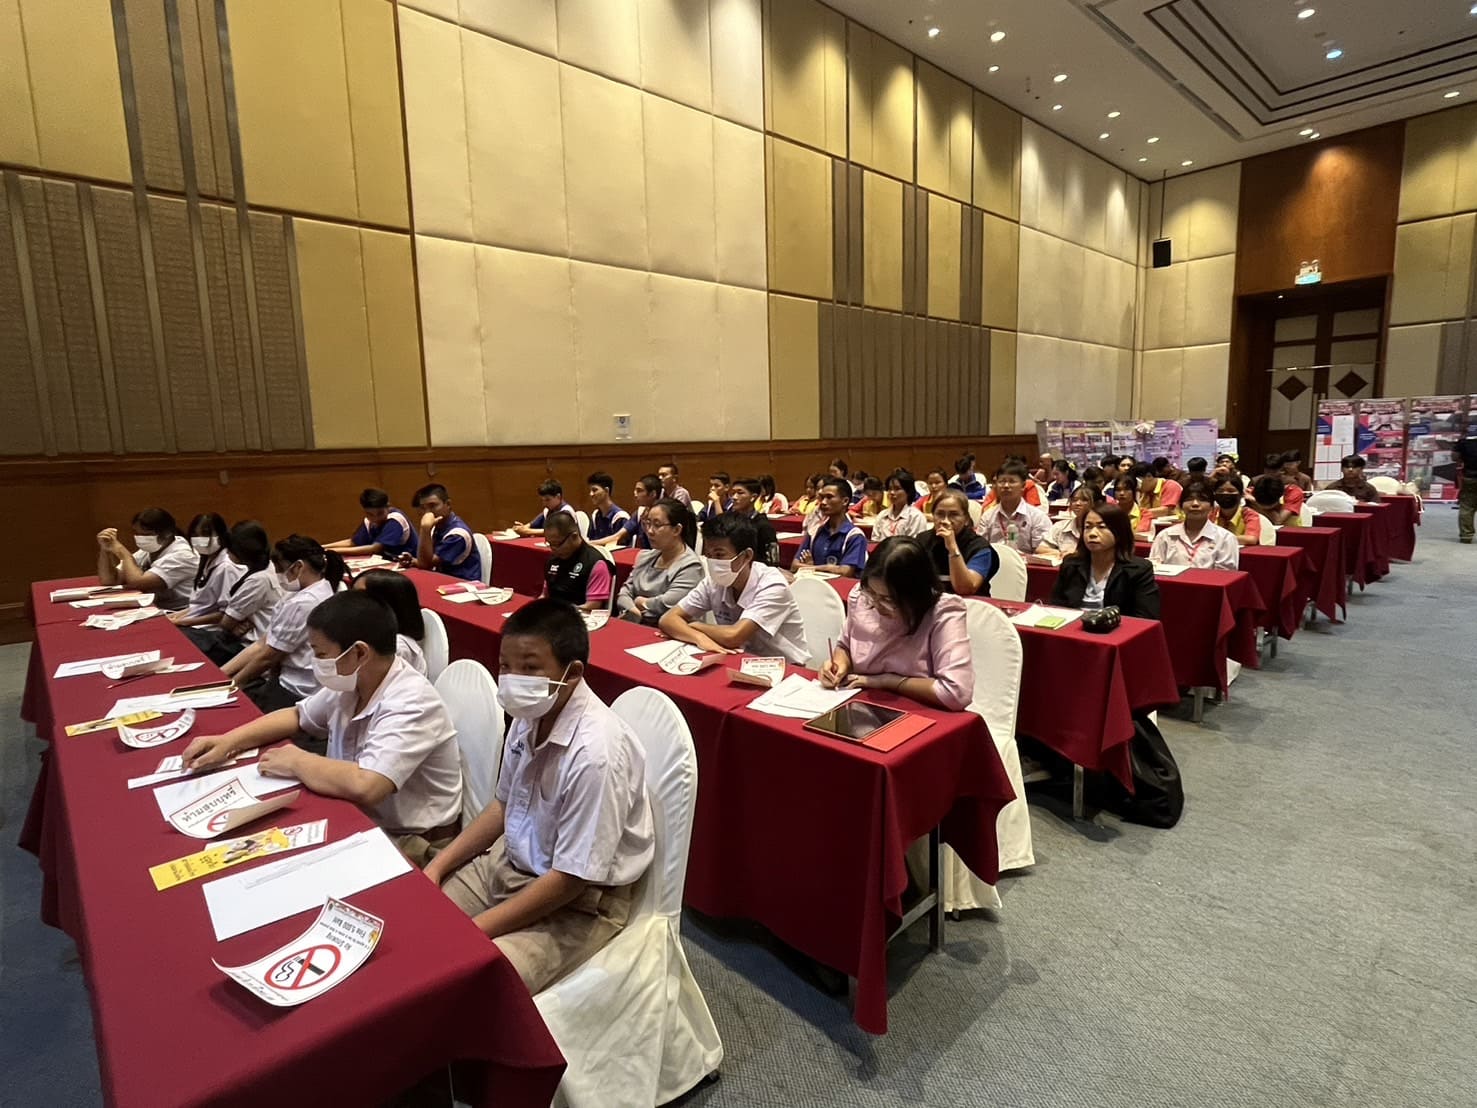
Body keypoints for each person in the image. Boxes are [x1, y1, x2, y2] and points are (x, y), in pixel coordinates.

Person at [425, 599, 652, 992]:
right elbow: (501, 805)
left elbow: (570, 879)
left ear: (573, 673)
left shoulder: (596, 753)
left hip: (578, 903)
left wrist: (475, 931)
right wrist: (437, 867)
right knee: (422, 923)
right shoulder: (531, 715)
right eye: (505, 666)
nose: (513, 679)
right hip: (509, 863)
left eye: (530, 668)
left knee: (480, 979)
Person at [184, 591, 463, 867]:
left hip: (409, 839)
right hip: (356, 809)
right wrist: (228, 741)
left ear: (359, 652)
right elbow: (297, 716)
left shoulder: (411, 701)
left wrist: (297, 761)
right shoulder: (355, 679)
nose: (314, 663)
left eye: (320, 654)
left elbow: (368, 785)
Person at [817, 537, 973, 709]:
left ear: (914, 594)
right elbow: (845, 646)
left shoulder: (942, 612)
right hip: (861, 703)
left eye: (887, 599)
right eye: (871, 593)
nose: (877, 605)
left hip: (918, 709)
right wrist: (839, 665)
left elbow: (955, 693)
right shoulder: (862, 597)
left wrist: (887, 681)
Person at [660, 513, 810, 664]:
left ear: (746, 556)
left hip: (784, 665)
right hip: (737, 657)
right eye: (708, 555)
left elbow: (733, 636)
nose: (712, 562)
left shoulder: (772, 585)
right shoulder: (714, 582)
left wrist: (693, 625)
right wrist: (699, 638)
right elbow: (667, 620)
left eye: (719, 555)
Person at [222, 535, 347, 712]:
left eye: (280, 568)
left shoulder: (304, 602)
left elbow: (269, 656)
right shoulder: (314, 590)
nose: (278, 575)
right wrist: (222, 675)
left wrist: (233, 684)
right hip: (290, 681)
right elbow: (264, 643)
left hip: (295, 689)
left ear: (298, 567)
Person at [181, 520, 281, 664]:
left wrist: (234, 626)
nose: (227, 552)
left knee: (183, 640)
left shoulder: (257, 579)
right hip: (239, 637)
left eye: (229, 548)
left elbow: (226, 623)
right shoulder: (267, 567)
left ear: (240, 550)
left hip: (244, 645)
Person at [1049, 504, 1160, 618]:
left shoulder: (1139, 569)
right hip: (1074, 627)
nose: (1092, 533)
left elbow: (1146, 618)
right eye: (1087, 527)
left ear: (1119, 531)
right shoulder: (1071, 564)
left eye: (1101, 527)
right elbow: (1056, 608)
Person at [614, 499, 703, 625]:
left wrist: (640, 603)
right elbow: (624, 592)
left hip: (666, 631)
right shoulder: (644, 557)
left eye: (657, 525)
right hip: (634, 624)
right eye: (647, 523)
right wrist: (633, 609)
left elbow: (668, 607)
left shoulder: (691, 567)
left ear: (676, 530)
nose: (650, 531)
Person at [95, 507, 196, 611]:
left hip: (181, 612)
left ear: (168, 533)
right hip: (157, 609)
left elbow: (138, 583)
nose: (140, 538)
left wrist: (123, 553)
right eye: (137, 533)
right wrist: (105, 550)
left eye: (146, 534)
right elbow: (110, 580)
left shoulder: (182, 555)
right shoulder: (148, 551)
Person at [919, 489, 998, 596]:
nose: (945, 520)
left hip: (970, 603)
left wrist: (952, 547)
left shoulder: (979, 547)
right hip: (931, 603)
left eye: (954, 515)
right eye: (940, 514)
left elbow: (965, 589)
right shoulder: (922, 540)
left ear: (966, 519)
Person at [168, 513, 242, 627]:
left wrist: (182, 622)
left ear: (221, 535)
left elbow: (225, 613)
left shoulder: (226, 566)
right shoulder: (207, 560)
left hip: (209, 629)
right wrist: (174, 617)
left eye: (205, 534)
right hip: (194, 623)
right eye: (195, 535)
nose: (199, 539)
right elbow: (200, 606)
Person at [353, 568, 429, 675]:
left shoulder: (397, 648)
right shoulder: (370, 632)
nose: (350, 601)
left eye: (359, 596)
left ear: (387, 604)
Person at [1149, 481, 1239, 570]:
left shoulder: (1226, 538)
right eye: (1189, 499)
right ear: (1180, 506)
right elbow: (1155, 569)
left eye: (1202, 499)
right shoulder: (1165, 536)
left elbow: (1225, 575)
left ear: (1212, 507)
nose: (1195, 504)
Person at [794, 478, 868, 577]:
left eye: (829, 497)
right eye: (822, 497)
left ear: (845, 501)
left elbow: (845, 572)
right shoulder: (815, 531)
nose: (823, 502)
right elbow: (794, 566)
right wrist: (829, 568)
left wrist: (812, 567)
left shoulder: (855, 536)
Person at [541, 512, 612, 612]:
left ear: (574, 536)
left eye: (557, 544)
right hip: (553, 614)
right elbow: (545, 595)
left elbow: (593, 606)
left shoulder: (595, 563)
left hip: (578, 617)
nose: (553, 549)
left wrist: (561, 613)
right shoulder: (553, 559)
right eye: (550, 544)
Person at [412, 483, 482, 582]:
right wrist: (413, 561)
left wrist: (424, 529)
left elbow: (426, 565)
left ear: (448, 504)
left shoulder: (457, 535)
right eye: (423, 508)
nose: (428, 513)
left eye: (433, 506)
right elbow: (425, 561)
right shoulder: (436, 526)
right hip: (443, 580)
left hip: (463, 585)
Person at [979, 461, 1051, 553]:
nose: (1006, 486)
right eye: (1001, 482)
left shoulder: (1037, 517)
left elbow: (1042, 551)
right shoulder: (987, 516)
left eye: (1012, 481)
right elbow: (980, 548)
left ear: (1023, 486)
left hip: (1026, 561)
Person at [326, 488, 417, 560]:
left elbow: (375, 549)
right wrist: (323, 547)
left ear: (388, 507)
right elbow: (353, 542)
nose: (375, 518)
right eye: (370, 514)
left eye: (380, 513)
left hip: (409, 562)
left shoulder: (395, 519)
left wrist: (331, 551)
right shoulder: (369, 521)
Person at [595, 474, 659, 550]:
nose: (635, 494)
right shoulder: (640, 513)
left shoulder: (663, 515)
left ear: (652, 494)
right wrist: (590, 543)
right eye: (635, 490)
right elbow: (617, 536)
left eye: (639, 491)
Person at [1038, 483, 1103, 558]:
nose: (1077, 503)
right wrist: (1061, 553)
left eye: (1084, 500)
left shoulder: (1103, 529)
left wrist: (1075, 554)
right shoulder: (1060, 526)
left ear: (1097, 503)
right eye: (1074, 500)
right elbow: (1040, 548)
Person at [727, 478, 780, 564]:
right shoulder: (730, 521)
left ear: (753, 497)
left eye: (740, 493)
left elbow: (773, 561)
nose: (734, 497)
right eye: (733, 493)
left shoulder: (764, 526)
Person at [872, 470, 930, 538]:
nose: (892, 492)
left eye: (897, 489)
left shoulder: (916, 517)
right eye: (890, 489)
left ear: (908, 491)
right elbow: (875, 540)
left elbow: (915, 543)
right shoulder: (882, 515)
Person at [1130, 461, 1183, 531]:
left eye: (1138, 484)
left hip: (1173, 528)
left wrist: (1139, 512)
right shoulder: (1144, 492)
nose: (1138, 488)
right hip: (1152, 528)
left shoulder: (1170, 485)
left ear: (1149, 476)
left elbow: (1166, 510)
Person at [1212, 477, 1262, 546]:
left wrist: (1219, 539)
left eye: (1231, 491)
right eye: (1220, 491)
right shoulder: (1211, 513)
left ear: (1241, 494)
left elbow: (1251, 539)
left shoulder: (1248, 514)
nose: (1225, 493)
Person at [585, 472, 630, 542]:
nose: (591, 494)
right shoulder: (595, 515)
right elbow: (590, 539)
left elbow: (620, 545)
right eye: (590, 490)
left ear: (606, 490)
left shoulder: (620, 517)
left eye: (594, 490)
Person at [1458, 432, 1477, 543]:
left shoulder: (1464, 442)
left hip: (1470, 477)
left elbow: (1454, 457)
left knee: (1467, 507)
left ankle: (1466, 535)